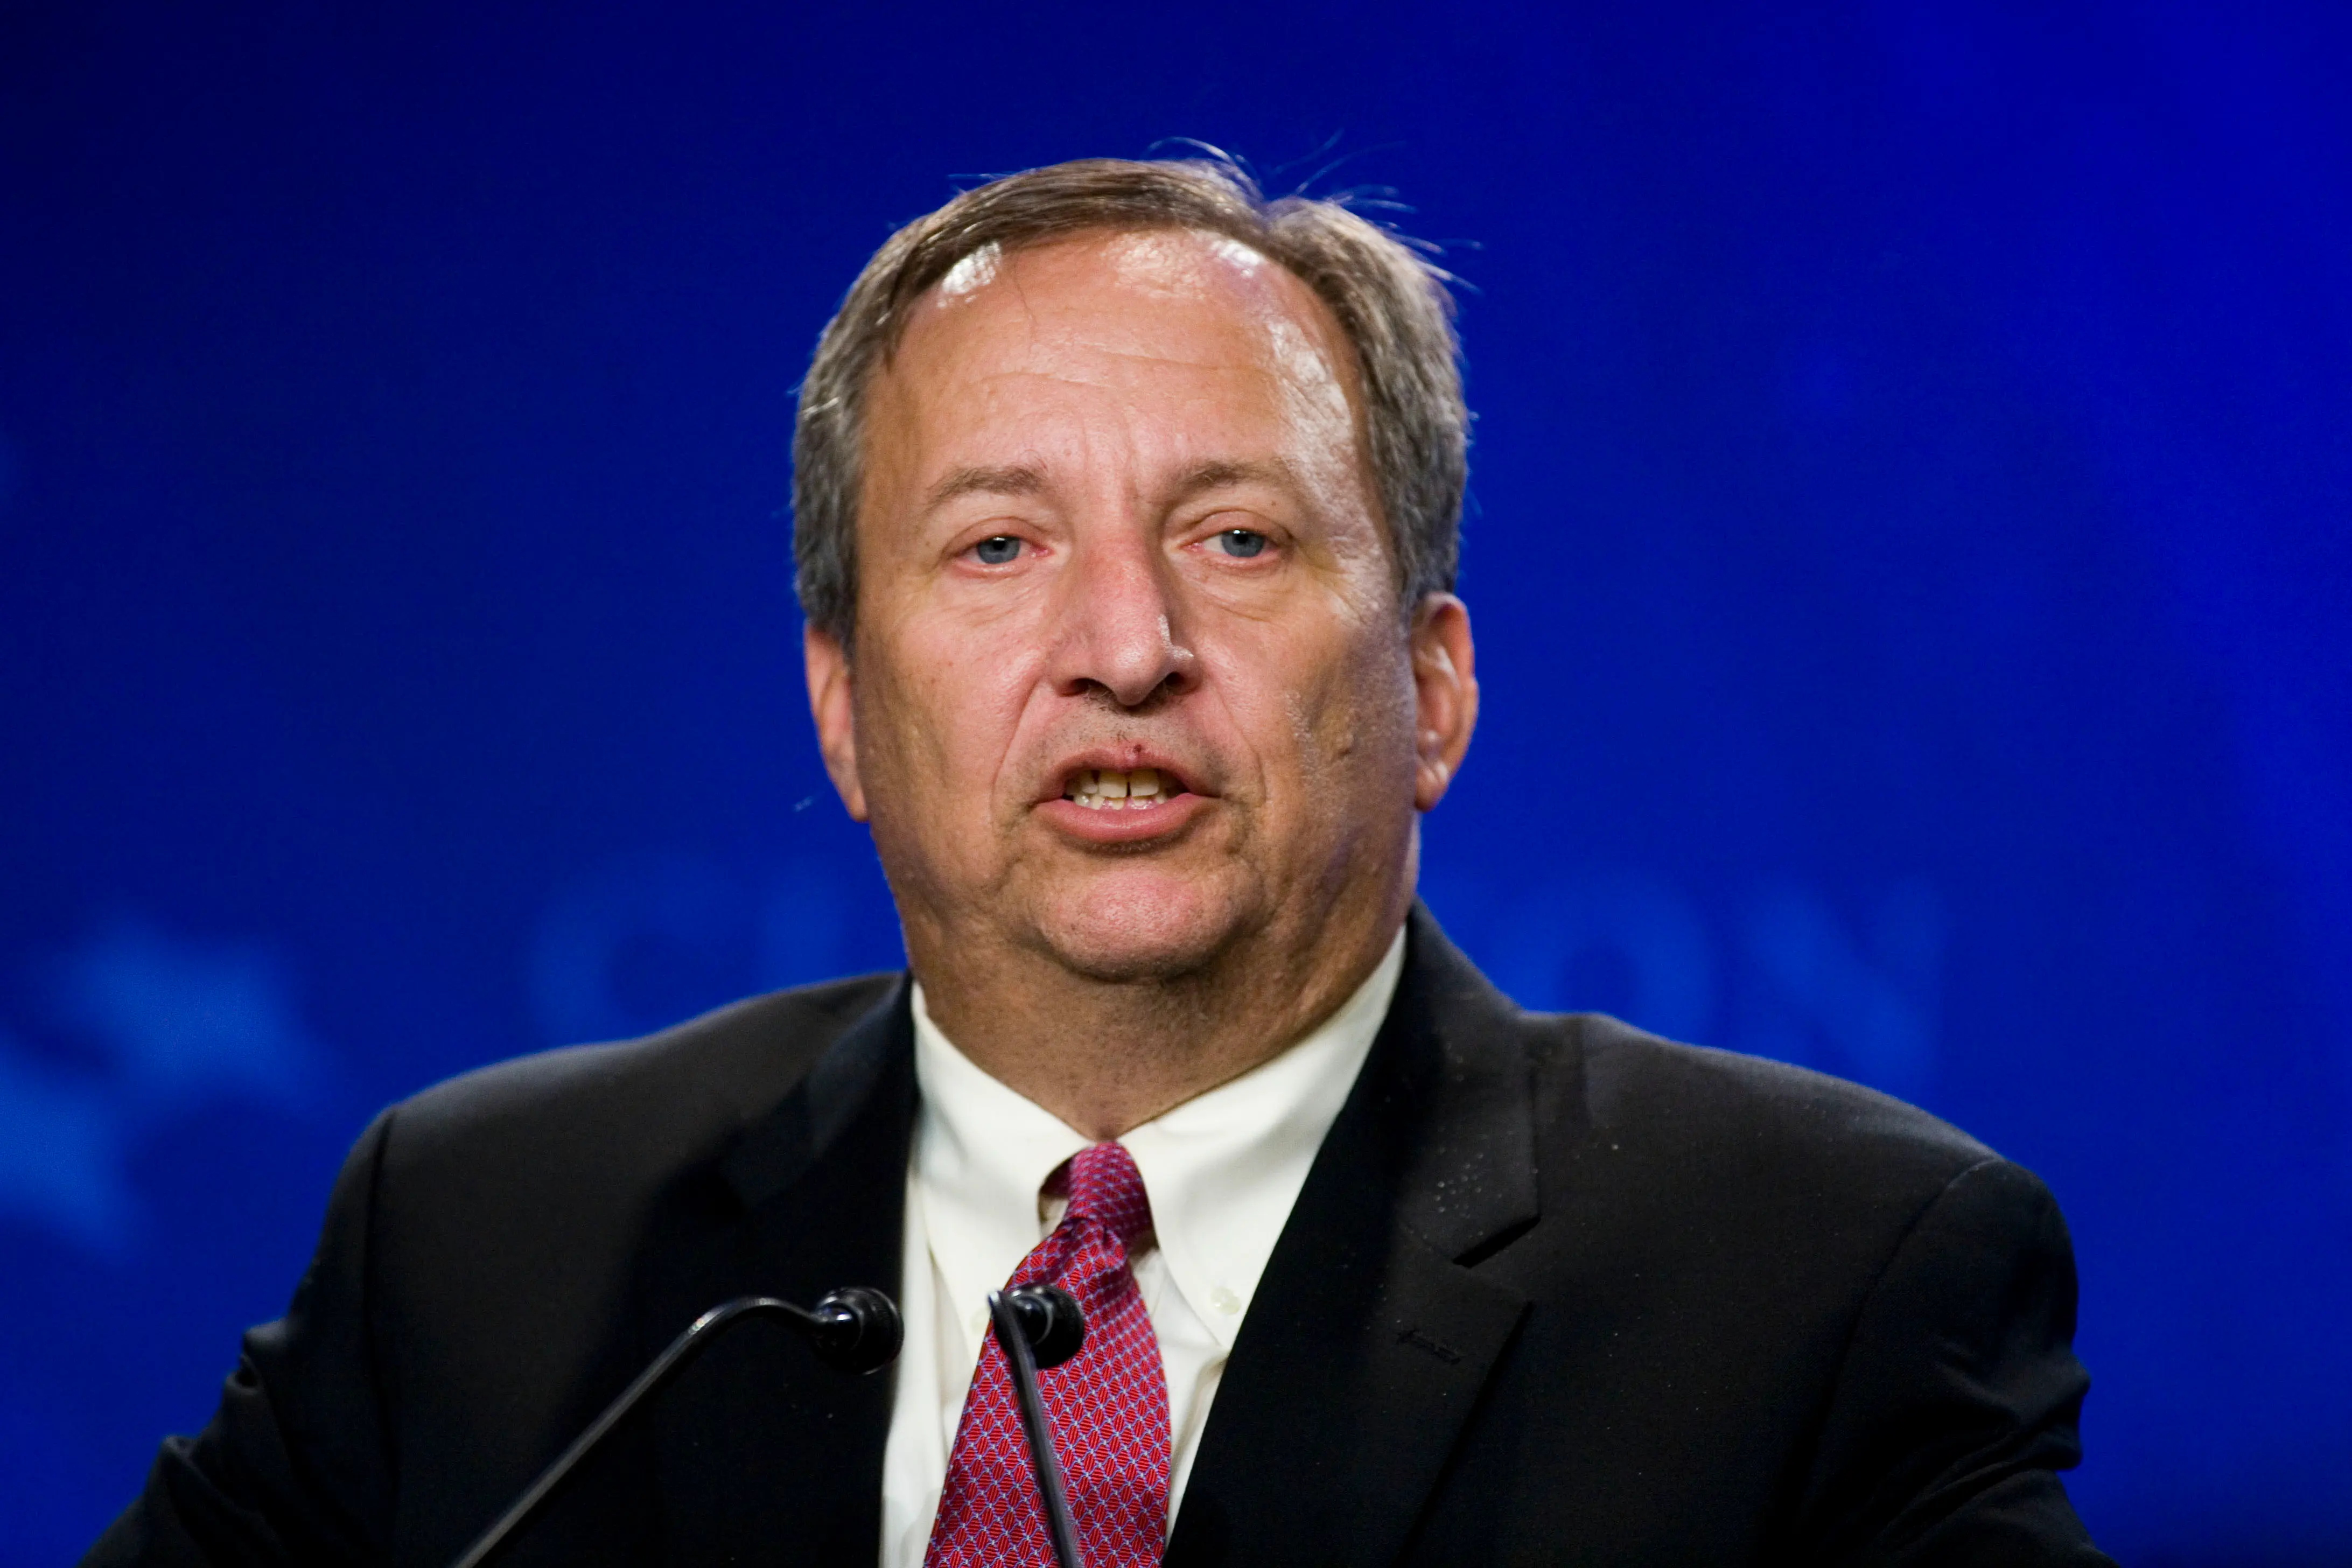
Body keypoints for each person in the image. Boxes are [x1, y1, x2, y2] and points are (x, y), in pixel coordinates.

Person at [85, 157, 2113, 1567]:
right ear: (843, 709)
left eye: (1237, 538)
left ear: (1433, 689)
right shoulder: (484, 1247)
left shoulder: (1826, 1288)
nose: (1125, 647)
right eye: (998, 546)